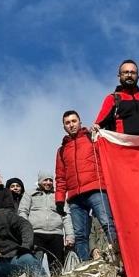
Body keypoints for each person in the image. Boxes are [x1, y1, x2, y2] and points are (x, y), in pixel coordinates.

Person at [55, 110, 117, 261]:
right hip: (75, 197)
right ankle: (85, 265)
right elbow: (60, 177)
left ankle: (118, 257)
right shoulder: (62, 150)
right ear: (64, 127)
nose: (71, 125)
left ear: (80, 122)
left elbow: (108, 155)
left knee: (107, 224)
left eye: (74, 121)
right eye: (67, 123)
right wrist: (59, 200)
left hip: (95, 189)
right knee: (80, 235)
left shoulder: (92, 138)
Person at [19, 172, 74, 273]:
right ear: (40, 181)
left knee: (57, 267)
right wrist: (26, 231)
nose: (48, 182)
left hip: (56, 235)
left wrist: (70, 235)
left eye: (50, 180)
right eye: (45, 180)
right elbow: (22, 212)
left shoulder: (59, 195)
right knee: (34, 266)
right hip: (35, 234)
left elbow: (66, 216)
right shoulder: (30, 193)